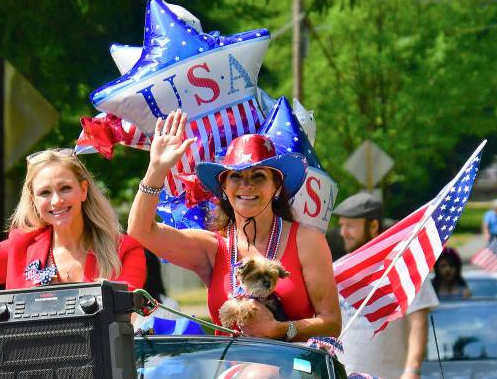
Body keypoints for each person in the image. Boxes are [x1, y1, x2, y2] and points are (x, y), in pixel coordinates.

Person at [127, 110, 340, 340]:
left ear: (276, 186)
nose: (246, 185)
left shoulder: (307, 240)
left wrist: (279, 330)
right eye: (236, 177)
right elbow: (140, 232)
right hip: (231, 370)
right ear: (224, 189)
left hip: (293, 369)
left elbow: (331, 324)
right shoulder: (213, 247)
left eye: (258, 176)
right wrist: (156, 170)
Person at [0, 142, 146, 291]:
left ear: (83, 190)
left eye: (65, 188)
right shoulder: (19, 249)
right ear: (34, 200)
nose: (56, 201)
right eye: (45, 193)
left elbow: (125, 312)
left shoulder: (124, 250)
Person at [333, 192, 439, 379]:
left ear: (373, 225)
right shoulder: (337, 270)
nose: (343, 233)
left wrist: (412, 370)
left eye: (350, 226)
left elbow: (418, 324)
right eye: (342, 226)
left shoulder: (405, 268)